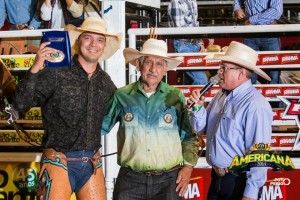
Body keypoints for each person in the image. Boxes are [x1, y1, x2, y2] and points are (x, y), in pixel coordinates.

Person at [13, 17, 122, 199]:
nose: (94, 44)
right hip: (58, 161)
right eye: (88, 37)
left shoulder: (106, 83)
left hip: (91, 163)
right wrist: (37, 65)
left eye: (100, 39)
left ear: (104, 47)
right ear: (78, 42)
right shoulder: (56, 73)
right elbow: (20, 105)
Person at [101, 38, 200, 200]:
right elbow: (100, 127)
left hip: (169, 180)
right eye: (148, 62)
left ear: (165, 69)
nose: (153, 69)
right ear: (139, 65)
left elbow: (189, 136)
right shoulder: (121, 96)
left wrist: (188, 167)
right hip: (130, 180)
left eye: (159, 64)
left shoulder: (175, 97)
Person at [188, 41, 273, 200]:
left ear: (240, 73)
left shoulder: (255, 105)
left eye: (224, 68)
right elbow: (201, 128)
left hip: (239, 182)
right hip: (217, 178)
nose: (218, 72)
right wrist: (198, 108)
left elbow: (260, 154)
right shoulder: (221, 95)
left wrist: (250, 194)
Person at [234, 0, 283, 84]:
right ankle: (250, 96)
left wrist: (252, 20)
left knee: (273, 71)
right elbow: (237, 1)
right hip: (250, 34)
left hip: (269, 33)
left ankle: (274, 96)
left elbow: (276, 11)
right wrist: (237, 8)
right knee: (248, 72)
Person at [167, 0, 214, 85]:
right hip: (183, 45)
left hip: (192, 44)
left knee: (189, 81)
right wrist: (202, 36)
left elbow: (195, 24)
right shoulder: (176, 1)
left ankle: (187, 98)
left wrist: (200, 43)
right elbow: (181, 29)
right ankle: (197, 98)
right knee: (201, 80)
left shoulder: (192, 1)